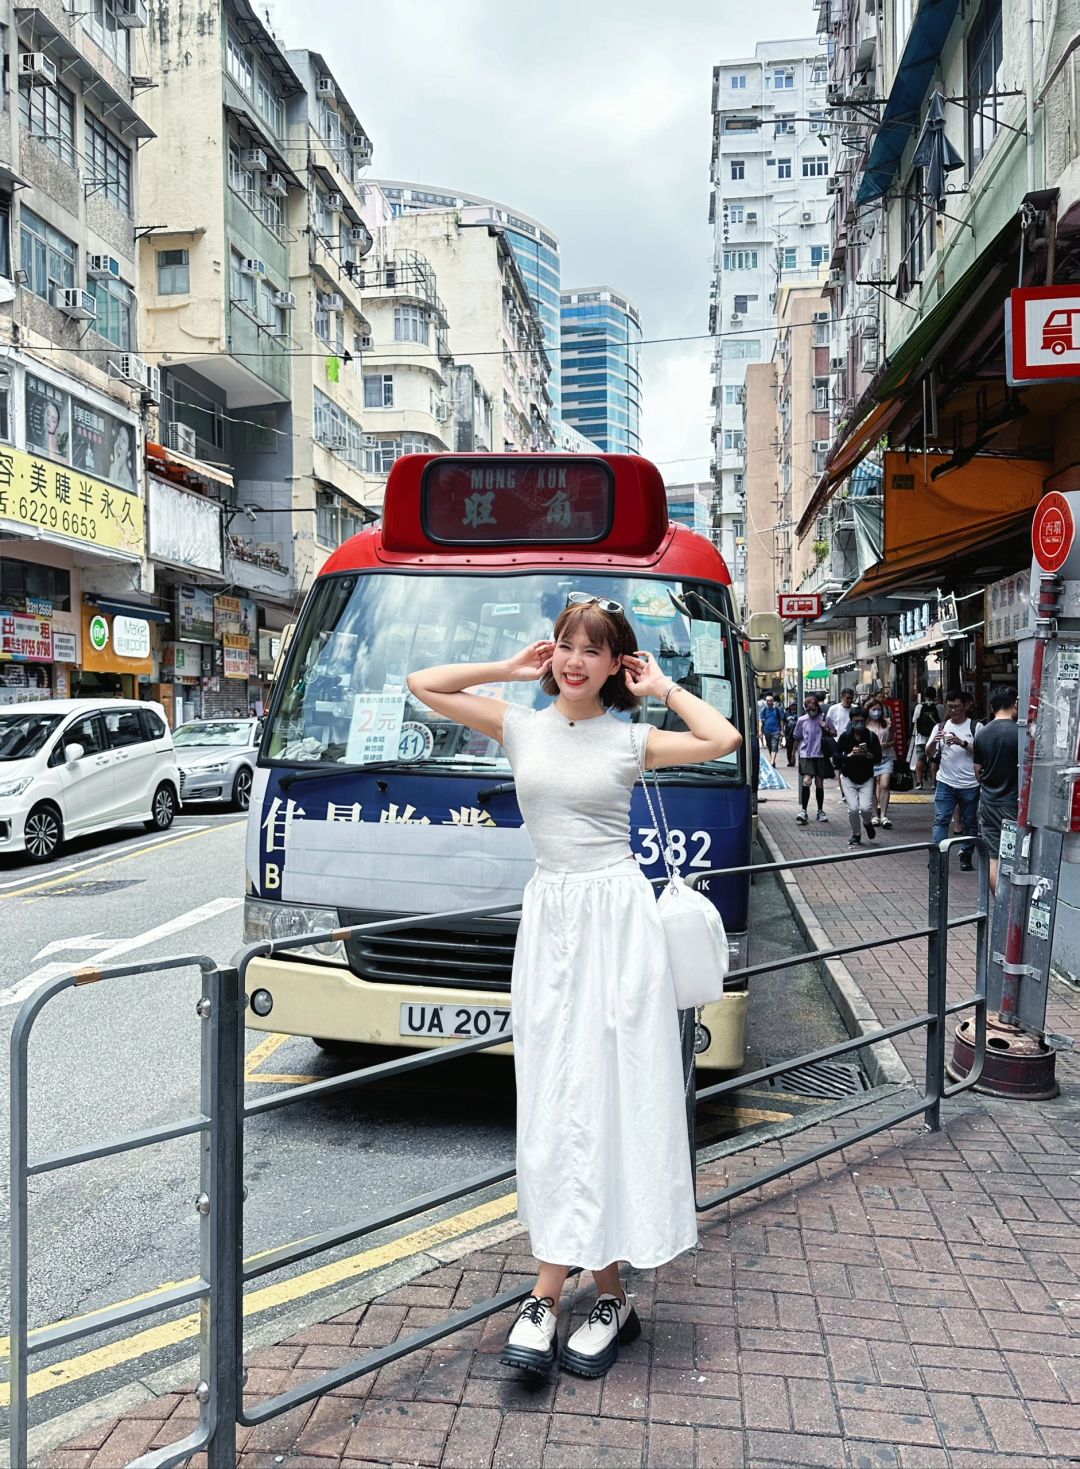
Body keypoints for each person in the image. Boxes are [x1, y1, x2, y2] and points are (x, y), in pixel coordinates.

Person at [407, 595, 741, 1380]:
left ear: (615, 662)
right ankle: (610, 1296)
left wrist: (660, 687)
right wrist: (507, 666)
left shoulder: (629, 739)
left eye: (593, 649)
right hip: (550, 922)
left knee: (616, 1096)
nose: (574, 659)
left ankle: (547, 1293)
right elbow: (424, 683)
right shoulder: (519, 724)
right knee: (557, 1100)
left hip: (616, 926)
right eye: (565, 645)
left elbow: (721, 737)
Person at [926, 690, 982, 871]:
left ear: (965, 706)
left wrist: (962, 743)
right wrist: (934, 742)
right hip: (945, 782)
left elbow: (982, 753)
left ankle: (966, 854)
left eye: (957, 706)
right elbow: (929, 754)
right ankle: (938, 857)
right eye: (950, 706)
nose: (953, 710)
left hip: (970, 784)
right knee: (941, 819)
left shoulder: (976, 727)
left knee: (970, 822)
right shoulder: (940, 727)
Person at [974, 688, 1021, 893]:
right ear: (1015, 704)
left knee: (993, 856)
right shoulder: (1019, 733)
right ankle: (1012, 910)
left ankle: (1000, 904)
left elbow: (977, 771)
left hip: (988, 802)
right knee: (1014, 856)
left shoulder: (982, 732)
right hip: (1012, 804)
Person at [835, 705, 883, 847]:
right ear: (851, 721)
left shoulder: (871, 737)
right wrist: (849, 755)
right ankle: (856, 834)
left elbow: (878, 757)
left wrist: (868, 754)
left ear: (866, 721)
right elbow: (836, 756)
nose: (859, 724)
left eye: (862, 721)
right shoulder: (845, 737)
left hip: (866, 777)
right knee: (853, 809)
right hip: (848, 777)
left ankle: (867, 823)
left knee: (866, 809)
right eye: (856, 721)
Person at [793, 692, 835, 825]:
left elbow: (835, 733)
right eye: (808, 710)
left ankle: (820, 810)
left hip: (821, 754)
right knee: (807, 780)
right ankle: (803, 810)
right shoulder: (802, 720)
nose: (811, 712)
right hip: (806, 754)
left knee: (819, 782)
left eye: (813, 709)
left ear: (818, 708)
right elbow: (797, 737)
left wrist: (826, 727)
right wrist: (793, 754)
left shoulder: (824, 719)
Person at [866, 698, 895, 828]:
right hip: (870, 759)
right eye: (874, 709)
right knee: (871, 786)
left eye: (879, 709)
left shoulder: (888, 723)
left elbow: (894, 739)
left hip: (886, 757)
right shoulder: (864, 724)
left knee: (885, 784)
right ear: (868, 710)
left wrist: (887, 744)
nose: (877, 712)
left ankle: (883, 814)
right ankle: (874, 815)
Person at [911, 687, 941, 789]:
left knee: (920, 759)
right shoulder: (939, 707)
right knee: (934, 760)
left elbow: (914, 721)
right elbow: (941, 722)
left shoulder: (919, 707)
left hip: (921, 738)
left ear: (924, 695)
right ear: (935, 695)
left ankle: (919, 782)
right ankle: (934, 783)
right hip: (934, 738)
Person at [759, 692, 783, 767]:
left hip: (776, 731)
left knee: (774, 746)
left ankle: (772, 761)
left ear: (773, 701)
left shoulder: (777, 709)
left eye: (770, 700)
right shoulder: (764, 710)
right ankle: (773, 760)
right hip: (767, 731)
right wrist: (760, 731)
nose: (769, 702)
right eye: (767, 701)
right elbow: (761, 721)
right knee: (770, 746)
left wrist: (782, 730)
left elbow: (781, 720)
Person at [783, 699, 799, 767]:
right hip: (789, 733)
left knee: (799, 748)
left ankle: (801, 762)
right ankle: (791, 762)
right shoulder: (786, 713)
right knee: (789, 748)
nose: (793, 707)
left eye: (794, 705)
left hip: (798, 733)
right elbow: (783, 721)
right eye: (791, 705)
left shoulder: (800, 712)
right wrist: (782, 731)